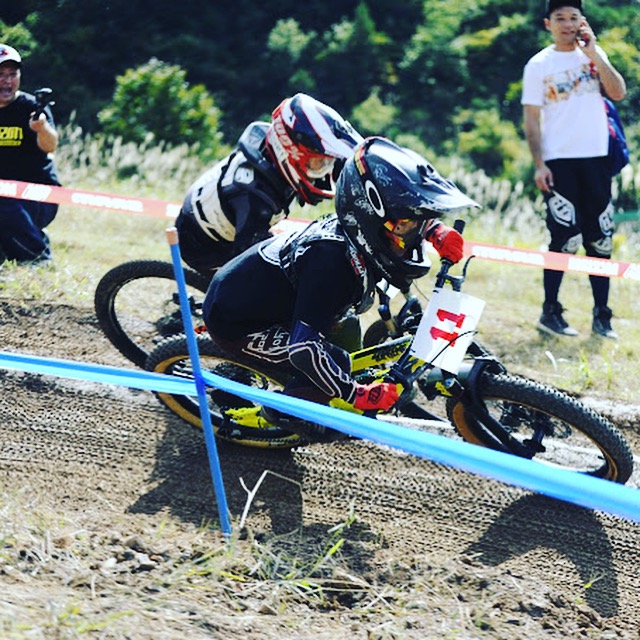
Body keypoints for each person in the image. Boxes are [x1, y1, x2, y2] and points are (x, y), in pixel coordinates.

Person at [202, 137, 480, 439]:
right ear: (372, 219)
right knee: (334, 362)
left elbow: (398, 212)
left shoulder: (355, 227)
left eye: (417, 222)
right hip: (236, 321)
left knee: (347, 330)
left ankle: (316, 390)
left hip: (262, 292)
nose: (413, 230)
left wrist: (435, 230)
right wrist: (356, 394)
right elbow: (304, 350)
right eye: (406, 225)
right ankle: (279, 414)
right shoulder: (330, 265)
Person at [521, 0, 626, 339]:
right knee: (565, 237)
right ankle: (550, 312)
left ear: (582, 21)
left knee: (601, 238)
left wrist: (594, 53)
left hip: (597, 159)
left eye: (573, 18)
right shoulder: (538, 64)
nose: (567, 24)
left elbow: (618, 92)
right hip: (558, 162)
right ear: (548, 24)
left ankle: (602, 316)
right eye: (560, 18)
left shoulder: (593, 55)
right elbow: (531, 120)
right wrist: (539, 164)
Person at [174, 92, 363, 278]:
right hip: (204, 247)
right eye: (317, 164)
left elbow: (340, 163)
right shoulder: (255, 198)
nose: (322, 173)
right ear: (289, 152)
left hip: (212, 221)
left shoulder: (272, 153)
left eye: (327, 163)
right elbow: (246, 260)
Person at [0, 44, 61, 265]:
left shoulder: (32, 107)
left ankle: (38, 257)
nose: (7, 81)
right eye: (1, 75)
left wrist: (41, 128)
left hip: (39, 197)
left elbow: (50, 146)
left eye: (12, 74)